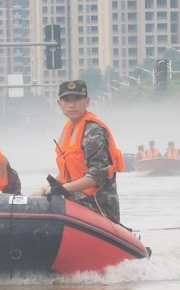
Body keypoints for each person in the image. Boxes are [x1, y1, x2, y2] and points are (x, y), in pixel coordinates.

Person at [43, 79, 124, 224]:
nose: (72, 105)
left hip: (97, 207)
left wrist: (61, 188)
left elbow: (97, 176)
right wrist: (48, 188)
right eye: (67, 100)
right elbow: (69, 170)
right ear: (59, 104)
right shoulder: (70, 129)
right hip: (75, 204)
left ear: (87, 101)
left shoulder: (94, 131)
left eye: (77, 99)